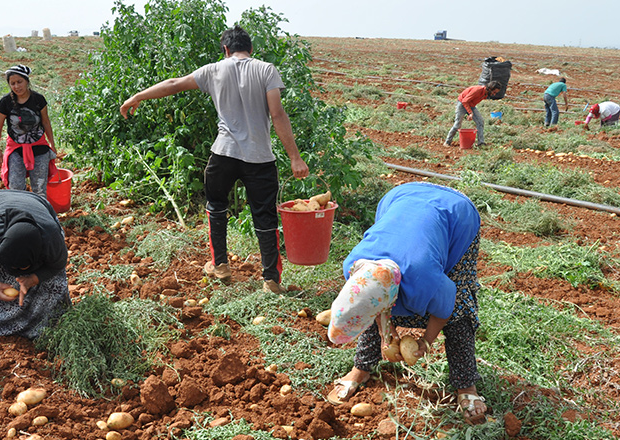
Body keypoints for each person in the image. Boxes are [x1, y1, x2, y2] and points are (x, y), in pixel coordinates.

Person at [119, 26, 310, 294]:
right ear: (251, 49)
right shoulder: (267, 70)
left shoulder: (214, 69)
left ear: (226, 49)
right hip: (259, 157)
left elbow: (174, 84)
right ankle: (271, 280)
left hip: (224, 153)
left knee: (216, 207)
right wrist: (295, 157)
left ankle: (220, 264)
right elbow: (277, 115)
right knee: (265, 217)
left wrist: (137, 96)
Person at [325, 182, 487, 425]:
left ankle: (467, 386)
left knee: (459, 311)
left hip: (456, 213)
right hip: (400, 198)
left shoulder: (423, 275)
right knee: (367, 301)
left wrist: (426, 342)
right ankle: (361, 369)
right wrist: (385, 332)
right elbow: (372, 304)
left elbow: (446, 310)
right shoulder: (354, 265)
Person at [0, 189, 70, 340]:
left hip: (39, 207)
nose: (16, 273)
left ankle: (46, 325)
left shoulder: (52, 242)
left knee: (53, 282)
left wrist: (33, 279)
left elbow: (56, 265)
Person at [0, 65, 58, 198]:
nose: (16, 86)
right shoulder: (6, 102)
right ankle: (20, 215)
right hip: (16, 148)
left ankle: (40, 215)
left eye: (19, 82)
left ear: (27, 81)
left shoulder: (38, 100)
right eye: (13, 83)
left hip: (39, 147)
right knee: (16, 187)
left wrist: (52, 144)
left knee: (39, 188)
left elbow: (45, 122)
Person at [443, 81, 501, 148]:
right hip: (462, 104)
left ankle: (481, 143)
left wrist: (471, 112)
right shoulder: (477, 90)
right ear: (490, 89)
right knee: (458, 124)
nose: (494, 94)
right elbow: (465, 101)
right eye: (494, 92)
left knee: (480, 121)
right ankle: (447, 142)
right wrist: (470, 113)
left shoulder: (485, 94)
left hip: (471, 105)